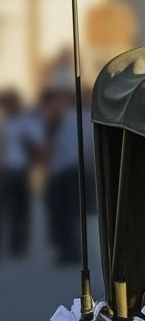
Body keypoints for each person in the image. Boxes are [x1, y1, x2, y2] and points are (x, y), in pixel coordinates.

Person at [43, 88, 93, 266]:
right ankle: (67, 249)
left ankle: (69, 250)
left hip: (67, 171)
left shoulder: (69, 118)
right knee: (64, 212)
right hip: (66, 170)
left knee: (65, 212)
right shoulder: (65, 119)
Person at [0, 89, 44, 258]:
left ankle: (19, 243)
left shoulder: (26, 122)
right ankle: (10, 243)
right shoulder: (4, 122)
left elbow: (37, 143)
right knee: (6, 209)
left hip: (21, 171)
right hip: (5, 172)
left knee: (21, 209)